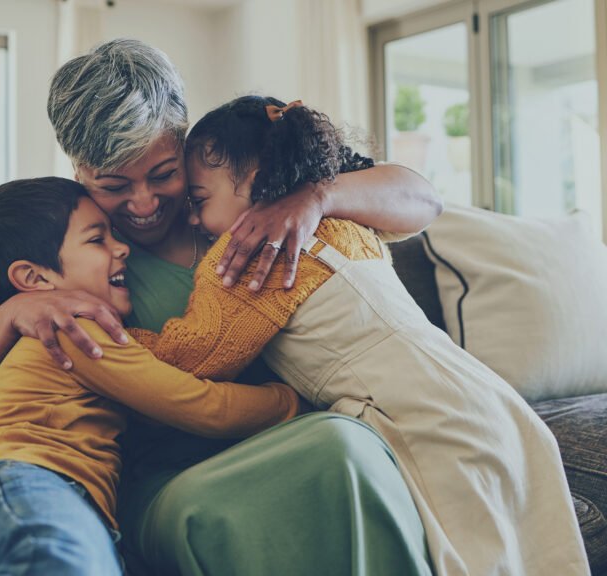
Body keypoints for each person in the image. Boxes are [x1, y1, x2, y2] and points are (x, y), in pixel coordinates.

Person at [0, 39, 443, 575]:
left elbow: (423, 200)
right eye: (113, 185)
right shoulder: (74, 258)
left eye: (163, 174)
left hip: (290, 435)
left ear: (184, 144)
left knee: (352, 447)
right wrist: (11, 313)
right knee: (338, 446)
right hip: (173, 480)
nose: (145, 204)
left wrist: (316, 197)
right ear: (79, 173)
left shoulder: (245, 197)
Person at [127, 95, 590, 575]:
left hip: (414, 412)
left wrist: (103, 336)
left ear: (258, 181)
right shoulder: (348, 223)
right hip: (490, 397)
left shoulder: (255, 256)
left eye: (200, 201)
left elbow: (193, 356)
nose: (195, 219)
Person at [0, 177, 300, 576]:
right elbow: (203, 406)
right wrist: (292, 401)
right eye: (97, 240)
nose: (122, 247)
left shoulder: (30, 334)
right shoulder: (72, 329)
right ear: (34, 279)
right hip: (21, 490)